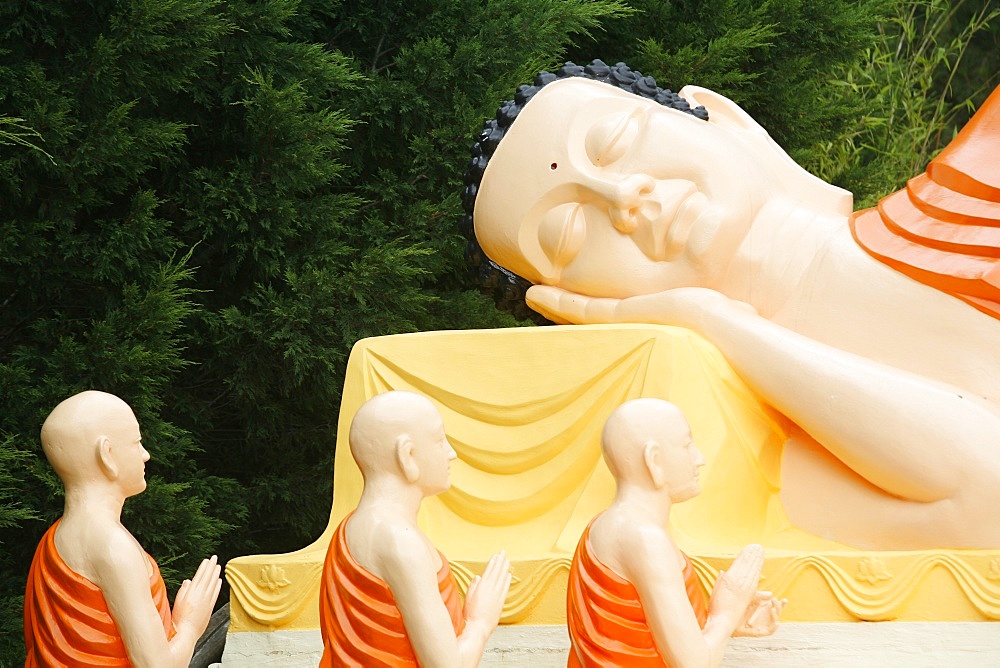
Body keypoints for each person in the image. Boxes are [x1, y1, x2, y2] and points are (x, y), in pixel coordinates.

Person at [463, 60, 1000, 550]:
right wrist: (713, 321)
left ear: (723, 118)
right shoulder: (778, 476)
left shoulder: (984, 174)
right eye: (567, 235)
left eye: (615, 140)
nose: (625, 199)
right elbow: (985, 495)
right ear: (576, 303)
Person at [566, 398, 783, 666]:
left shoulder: (600, 527)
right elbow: (693, 664)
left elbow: (646, 634)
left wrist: (722, 621)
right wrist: (726, 612)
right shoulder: (645, 539)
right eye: (687, 445)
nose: (699, 459)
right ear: (654, 460)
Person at [24, 390, 221, 667]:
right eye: (136, 442)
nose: (145, 455)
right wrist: (190, 624)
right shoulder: (113, 546)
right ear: (107, 454)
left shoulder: (54, 539)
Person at [318, 390, 511, 667]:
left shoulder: (350, 529)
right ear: (407, 455)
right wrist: (480, 622)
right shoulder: (399, 541)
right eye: (439, 440)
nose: (451, 453)